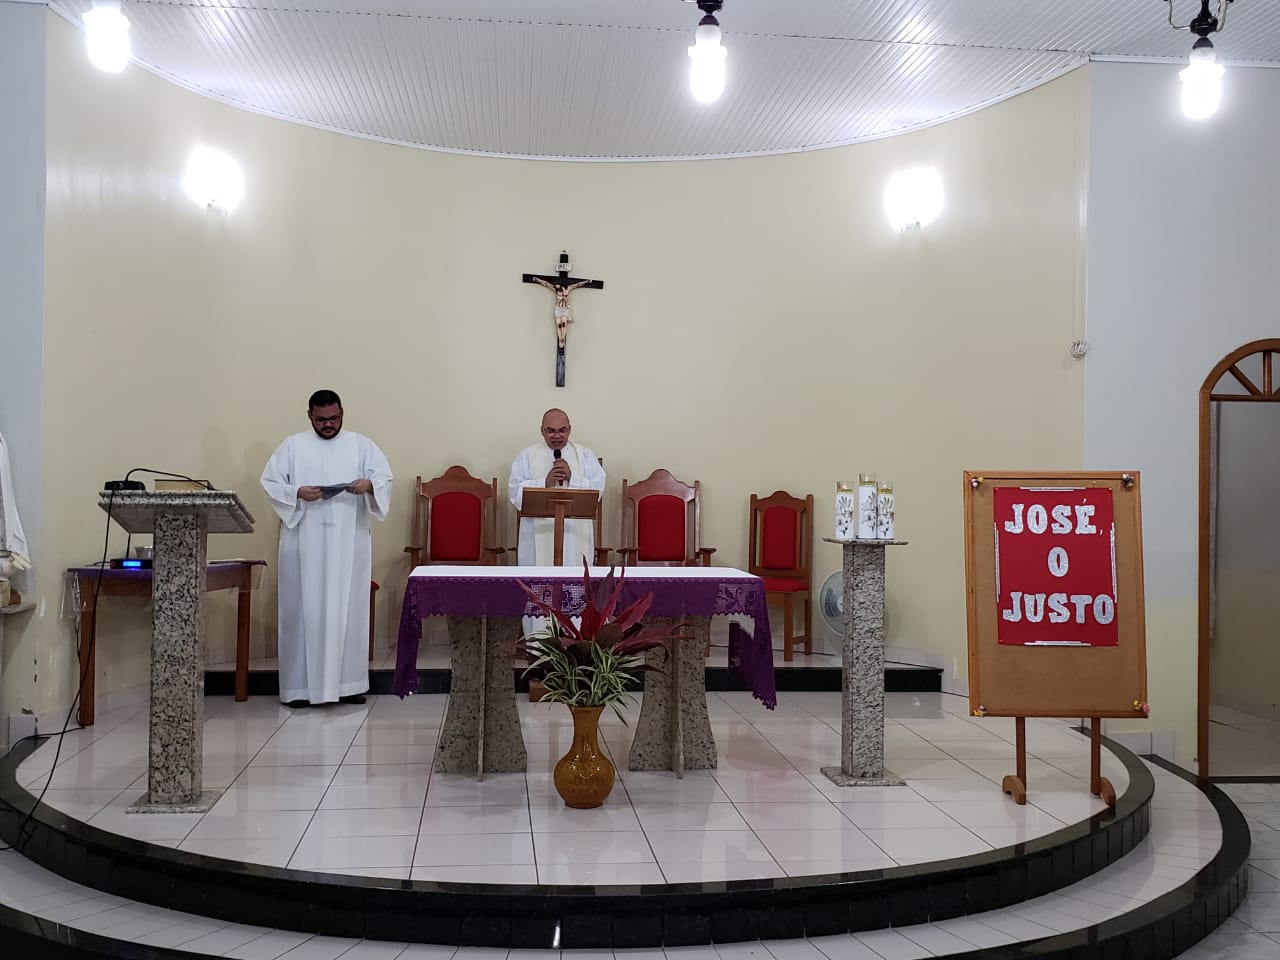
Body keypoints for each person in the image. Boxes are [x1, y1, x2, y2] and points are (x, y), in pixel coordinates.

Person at [260, 390, 392, 707]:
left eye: (333, 418)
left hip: (349, 543)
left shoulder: (362, 445)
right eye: (321, 420)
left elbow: (384, 478)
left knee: (349, 610)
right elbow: (271, 483)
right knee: (301, 611)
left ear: (342, 413)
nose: (328, 424)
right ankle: (299, 690)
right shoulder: (293, 445)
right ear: (310, 416)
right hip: (304, 544)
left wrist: (368, 485)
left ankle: (349, 685)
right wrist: (296, 492)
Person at [508, 408, 605, 566]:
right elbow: (514, 492)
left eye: (562, 430)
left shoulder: (584, 455)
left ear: (569, 429)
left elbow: (597, 490)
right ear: (542, 431)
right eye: (551, 431)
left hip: (574, 534)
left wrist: (572, 477)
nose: (557, 435)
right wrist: (544, 483)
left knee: (573, 572)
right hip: (538, 531)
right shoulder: (527, 456)